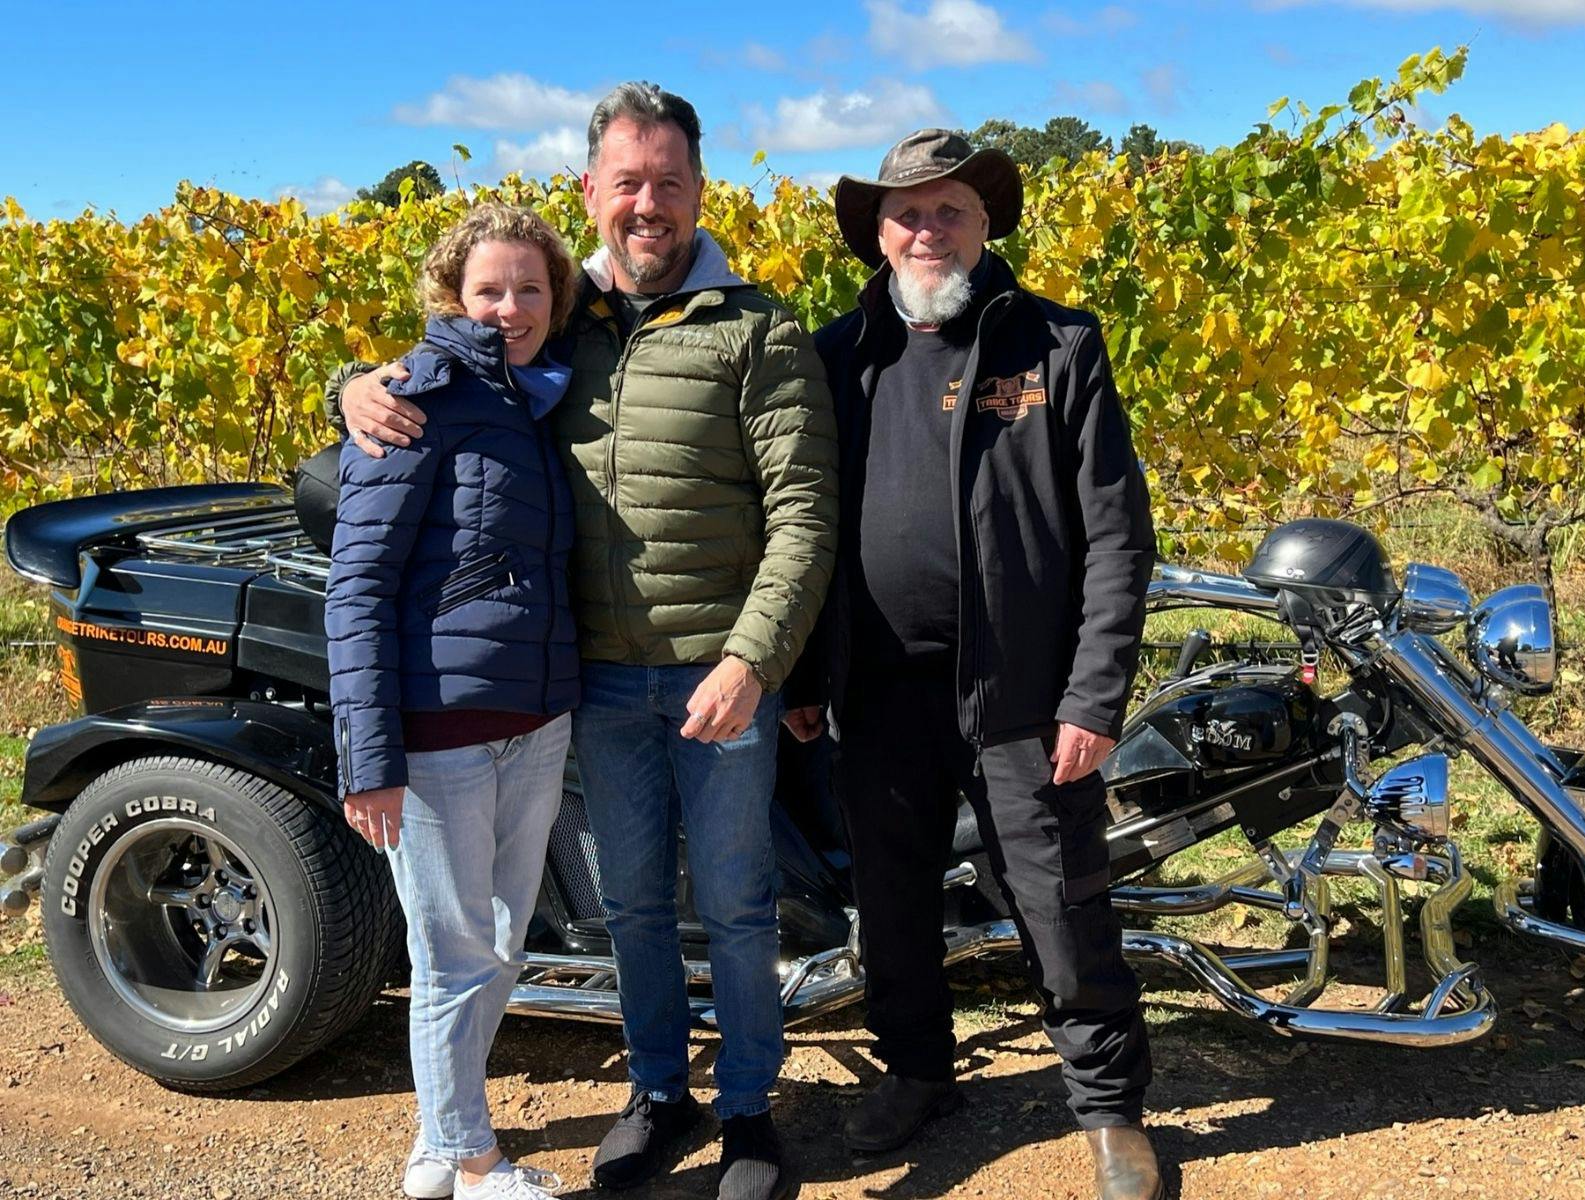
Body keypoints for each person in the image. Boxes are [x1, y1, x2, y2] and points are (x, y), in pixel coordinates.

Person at [327, 83, 837, 1200]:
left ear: (699, 189)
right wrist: (352, 388)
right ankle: (658, 1091)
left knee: (740, 901)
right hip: (592, 682)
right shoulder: (558, 329)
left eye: (667, 181)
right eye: (626, 183)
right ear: (591, 193)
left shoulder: (757, 328)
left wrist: (754, 660)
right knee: (634, 904)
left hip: (720, 675)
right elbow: (437, 377)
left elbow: (803, 512)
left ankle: (750, 1107)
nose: (646, 203)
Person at [784, 129, 1165, 1200]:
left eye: (948, 210)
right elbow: (804, 528)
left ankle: (1107, 1106)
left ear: (984, 223)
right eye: (905, 215)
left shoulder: (1055, 346)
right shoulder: (836, 355)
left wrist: (1092, 693)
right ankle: (916, 1073)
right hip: (878, 690)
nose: (925, 230)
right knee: (891, 901)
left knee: (1060, 901)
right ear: (878, 234)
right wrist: (809, 677)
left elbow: (1114, 536)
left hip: (1024, 697)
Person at [324, 202, 581, 1200]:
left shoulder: (541, 396)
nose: (511, 306)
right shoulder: (408, 398)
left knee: (502, 940)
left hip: (535, 723)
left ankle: (438, 1140)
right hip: (438, 739)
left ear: (556, 297)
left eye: (530, 288)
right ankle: (475, 1162)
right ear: (451, 295)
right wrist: (370, 759)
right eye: (489, 288)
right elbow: (359, 588)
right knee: (450, 952)